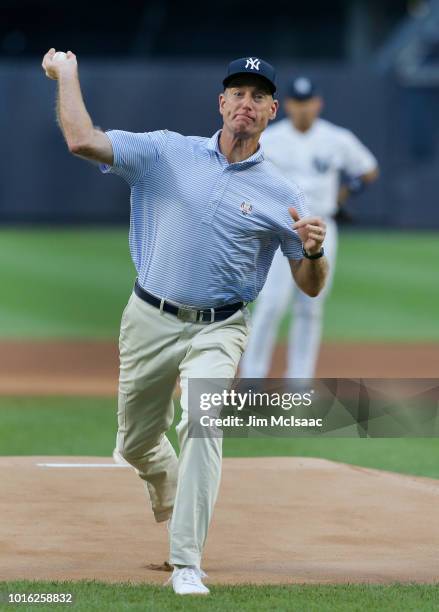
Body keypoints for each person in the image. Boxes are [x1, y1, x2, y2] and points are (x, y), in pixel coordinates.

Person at [41, 51, 328, 595]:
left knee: (205, 421)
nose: (247, 103)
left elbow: (308, 284)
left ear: (272, 113)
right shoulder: (166, 151)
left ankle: (187, 559)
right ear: (221, 104)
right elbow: (81, 139)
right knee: (136, 443)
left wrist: (314, 252)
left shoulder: (283, 194)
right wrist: (69, 73)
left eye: (259, 96)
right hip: (150, 317)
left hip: (221, 327)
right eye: (237, 93)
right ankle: (170, 494)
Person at [240, 76, 379, 380]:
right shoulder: (270, 138)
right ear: (287, 105)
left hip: (321, 226)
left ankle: (300, 380)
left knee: (310, 306)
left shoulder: (336, 138)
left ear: (319, 103)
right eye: (297, 103)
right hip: (280, 229)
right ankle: (252, 377)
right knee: (271, 304)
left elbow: (368, 169)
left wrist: (345, 192)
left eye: (309, 102)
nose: (303, 109)